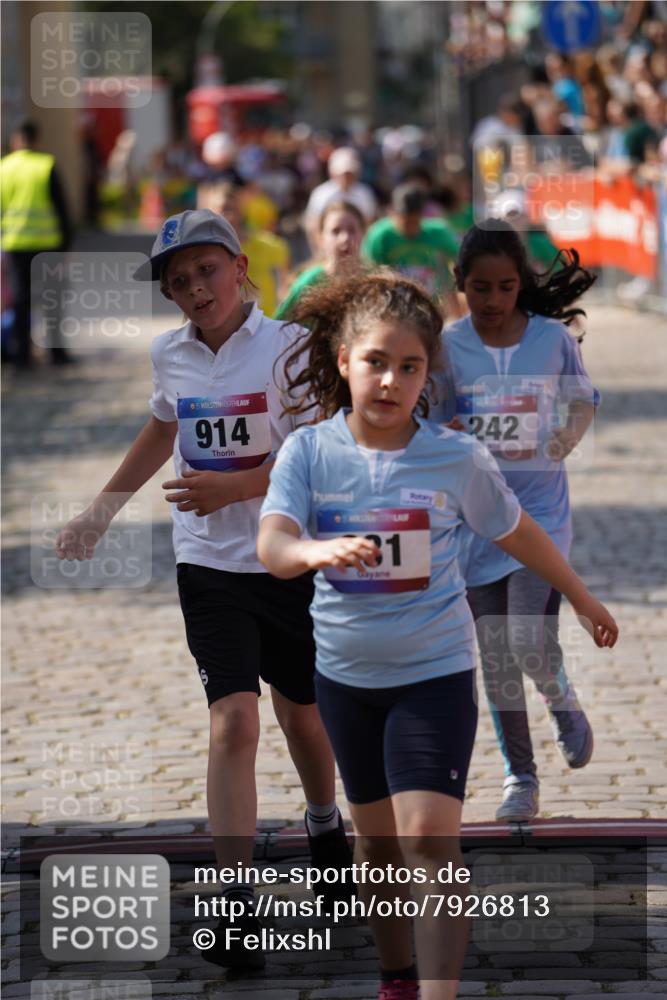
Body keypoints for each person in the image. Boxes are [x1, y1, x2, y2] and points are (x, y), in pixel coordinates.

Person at [256, 269, 618, 1000]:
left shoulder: (454, 457)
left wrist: (579, 598)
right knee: (379, 849)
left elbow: (519, 534)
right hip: (346, 681)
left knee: (426, 839)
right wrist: (313, 553)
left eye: (410, 366)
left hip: (433, 674)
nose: (391, 380)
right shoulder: (309, 454)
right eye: (375, 362)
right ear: (342, 361)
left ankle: (438, 993)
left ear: (429, 372)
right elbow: (272, 543)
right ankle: (395, 977)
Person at [53, 209, 351, 971]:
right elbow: (162, 429)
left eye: (206, 270)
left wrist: (237, 486)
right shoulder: (170, 356)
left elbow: (319, 457)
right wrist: (100, 511)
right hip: (209, 565)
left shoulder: (289, 348)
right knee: (233, 723)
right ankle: (235, 901)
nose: (194, 288)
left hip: (284, 559)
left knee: (303, 717)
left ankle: (325, 829)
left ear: (241, 267)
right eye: (178, 282)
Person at [435, 220, 600, 823]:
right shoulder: (448, 346)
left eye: (506, 287)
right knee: (497, 656)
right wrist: (446, 433)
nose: (494, 301)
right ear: (460, 285)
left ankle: (561, 699)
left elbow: (584, 398)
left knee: (527, 637)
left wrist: (564, 438)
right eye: (480, 288)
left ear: (521, 285)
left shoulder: (552, 339)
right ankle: (520, 779)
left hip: (541, 514)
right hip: (476, 522)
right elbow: (430, 414)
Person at [0, 119, 74, 368]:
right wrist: (66, 245)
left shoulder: (4, 167)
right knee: (52, 299)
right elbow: (62, 208)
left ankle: (22, 355)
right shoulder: (46, 165)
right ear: (37, 139)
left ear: (15, 141)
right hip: (49, 244)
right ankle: (56, 353)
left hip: (16, 244)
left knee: (21, 299)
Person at [362, 183, 461, 313]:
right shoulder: (380, 236)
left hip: (433, 306)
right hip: (394, 307)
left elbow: (460, 258)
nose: (409, 226)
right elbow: (370, 274)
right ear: (393, 213)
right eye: (405, 220)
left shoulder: (439, 232)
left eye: (414, 220)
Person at [197, 180, 290, 317]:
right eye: (220, 209)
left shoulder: (271, 245)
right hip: (221, 332)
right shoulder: (198, 253)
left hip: (264, 327)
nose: (227, 216)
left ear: (241, 210)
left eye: (230, 208)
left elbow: (287, 286)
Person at [276, 200, 365, 320]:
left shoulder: (372, 284)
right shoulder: (308, 284)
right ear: (321, 238)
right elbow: (278, 326)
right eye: (335, 231)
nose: (345, 238)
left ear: (364, 234)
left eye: (352, 230)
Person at [303, 146, 378, 249]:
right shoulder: (321, 194)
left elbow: (370, 223)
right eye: (343, 173)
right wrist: (320, 250)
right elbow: (313, 225)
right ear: (333, 172)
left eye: (350, 173)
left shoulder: (365, 193)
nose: (347, 177)